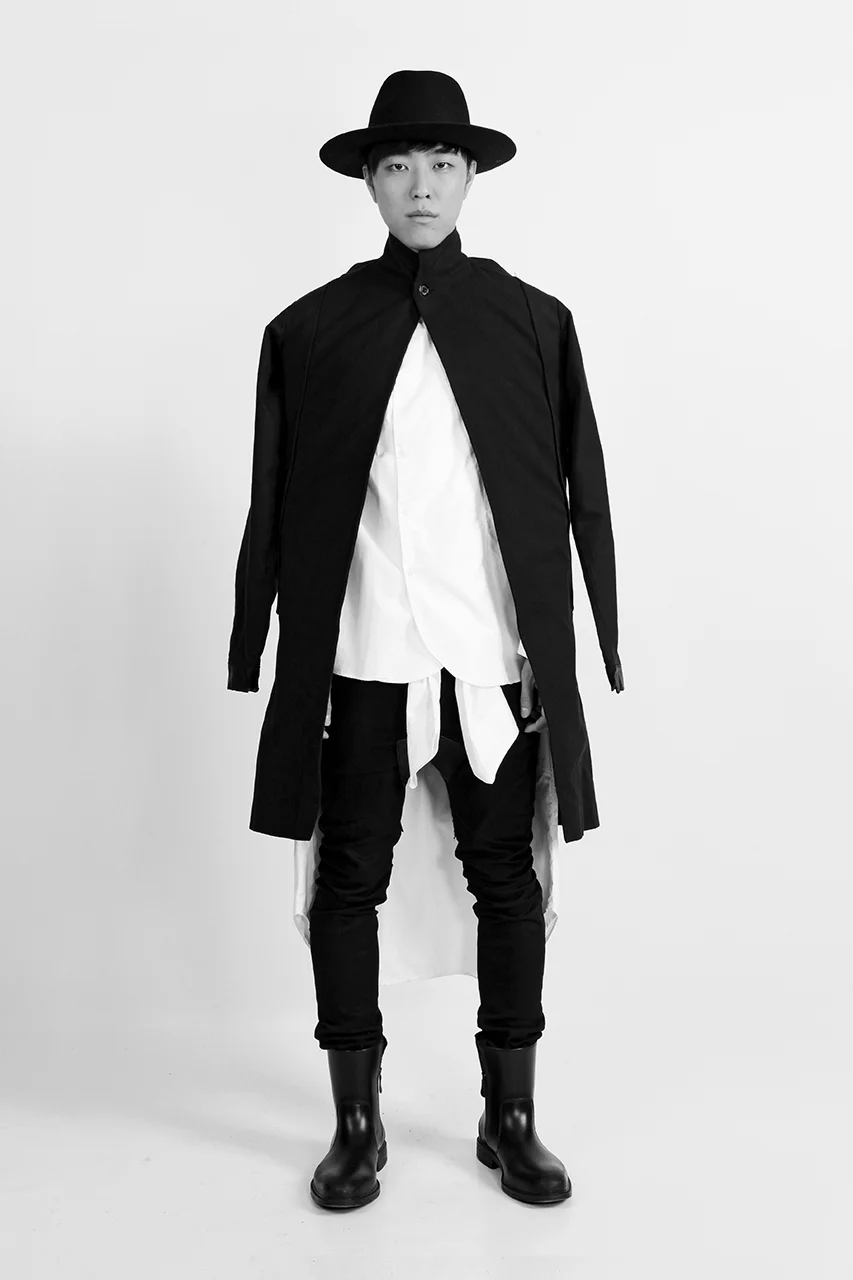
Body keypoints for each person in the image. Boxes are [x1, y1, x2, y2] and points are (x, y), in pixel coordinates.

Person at [227, 69, 624, 1211]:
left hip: (488, 658)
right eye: (397, 164)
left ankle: (511, 1114)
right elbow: (274, 497)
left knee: (508, 878)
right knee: (346, 879)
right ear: (368, 180)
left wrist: (580, 641)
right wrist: (259, 643)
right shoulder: (310, 330)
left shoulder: (532, 321)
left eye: (441, 164)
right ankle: (355, 1123)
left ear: (469, 177)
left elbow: (579, 485)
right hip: (364, 655)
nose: (420, 186)